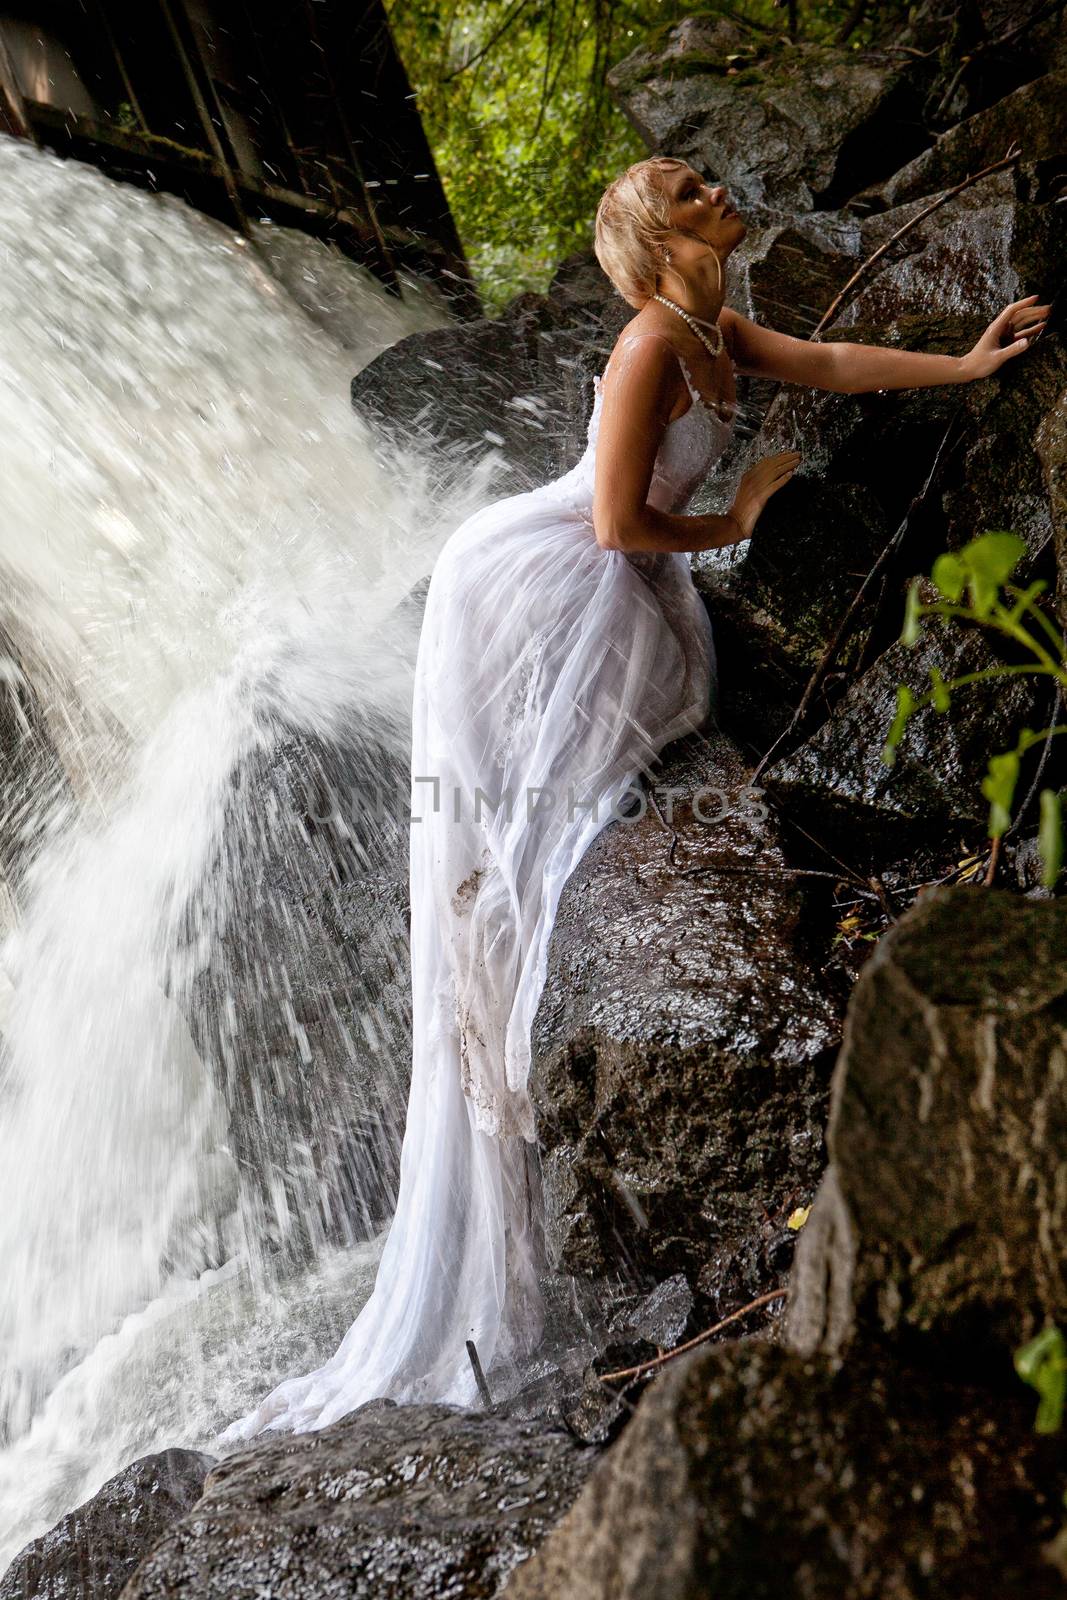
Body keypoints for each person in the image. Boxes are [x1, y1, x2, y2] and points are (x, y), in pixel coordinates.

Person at [217, 157, 1048, 1443]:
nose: (713, 183)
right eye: (689, 181)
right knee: (534, 814)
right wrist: (735, 512)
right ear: (657, 234)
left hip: (605, 566)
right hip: (530, 579)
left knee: (604, 761)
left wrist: (969, 367)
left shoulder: (713, 330)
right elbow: (613, 523)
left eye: (706, 172)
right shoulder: (652, 343)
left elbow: (825, 367)